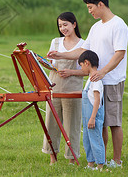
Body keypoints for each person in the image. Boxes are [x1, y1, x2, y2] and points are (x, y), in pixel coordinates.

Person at [47, 0, 128, 168]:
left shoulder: (118, 25)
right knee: (100, 123)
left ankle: (117, 161)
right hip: (95, 81)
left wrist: (103, 72)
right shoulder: (96, 27)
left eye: (91, 7)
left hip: (111, 80)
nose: (89, 11)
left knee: (113, 122)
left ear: (101, 4)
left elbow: (119, 54)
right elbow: (83, 51)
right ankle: (102, 159)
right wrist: (61, 55)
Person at [42, 12, 84, 165]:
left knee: (71, 125)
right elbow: (52, 64)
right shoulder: (55, 41)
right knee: (51, 123)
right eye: (60, 26)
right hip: (54, 87)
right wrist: (44, 62)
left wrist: (71, 72)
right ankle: (52, 157)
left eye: (65, 24)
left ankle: (72, 159)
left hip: (73, 89)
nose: (62, 28)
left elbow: (86, 71)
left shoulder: (83, 44)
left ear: (74, 24)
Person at [78, 50, 105, 170]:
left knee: (96, 140)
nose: (81, 69)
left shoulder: (96, 80)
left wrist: (92, 118)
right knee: (87, 139)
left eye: (81, 66)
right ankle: (90, 163)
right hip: (87, 116)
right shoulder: (90, 79)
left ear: (86, 63)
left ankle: (100, 165)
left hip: (93, 115)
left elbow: (97, 100)